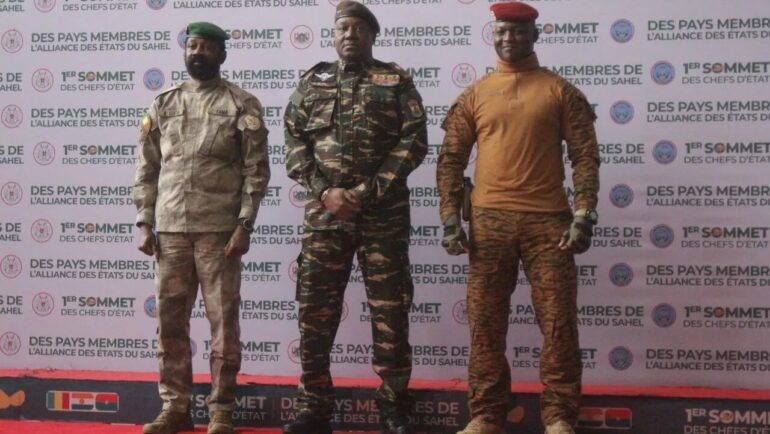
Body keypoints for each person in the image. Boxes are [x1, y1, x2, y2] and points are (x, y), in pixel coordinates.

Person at [436, 2, 600, 434]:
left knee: (559, 324)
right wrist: (450, 217)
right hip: (489, 224)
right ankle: (487, 415)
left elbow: (585, 157)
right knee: (485, 325)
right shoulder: (476, 93)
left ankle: (560, 417)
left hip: (550, 226)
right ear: (494, 35)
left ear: (535, 35)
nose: (508, 39)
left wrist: (584, 212)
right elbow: (451, 159)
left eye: (518, 32)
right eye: (501, 31)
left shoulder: (560, 91)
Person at [282, 2, 428, 433]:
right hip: (325, 217)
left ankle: (393, 405)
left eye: (359, 28)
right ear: (334, 33)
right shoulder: (312, 82)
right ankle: (314, 407)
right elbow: (293, 140)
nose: (350, 34)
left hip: (382, 217)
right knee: (314, 313)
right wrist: (324, 191)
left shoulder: (396, 82)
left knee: (391, 311)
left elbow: (412, 142)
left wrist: (365, 193)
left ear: (372, 34)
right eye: (343, 27)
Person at [134, 21, 270, 434]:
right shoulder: (164, 103)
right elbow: (147, 168)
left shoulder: (241, 104)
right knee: (171, 324)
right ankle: (175, 408)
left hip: (219, 232)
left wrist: (245, 223)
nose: (198, 53)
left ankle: (220, 411)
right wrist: (144, 220)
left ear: (222, 54)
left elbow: (256, 171)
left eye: (207, 47)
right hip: (171, 230)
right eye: (192, 46)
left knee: (223, 326)